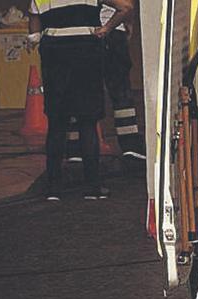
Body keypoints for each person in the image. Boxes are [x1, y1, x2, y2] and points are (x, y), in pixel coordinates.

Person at [27, 0, 132, 201]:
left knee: (57, 124)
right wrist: (106, 28)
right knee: (88, 121)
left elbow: (33, 23)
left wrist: (35, 39)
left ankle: (53, 188)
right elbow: (126, 7)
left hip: (54, 55)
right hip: (86, 53)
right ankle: (93, 187)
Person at [66, 2, 147, 165]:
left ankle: (76, 147)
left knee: (79, 92)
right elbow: (126, 7)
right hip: (111, 32)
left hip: (78, 35)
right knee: (121, 92)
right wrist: (123, 25)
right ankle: (130, 145)